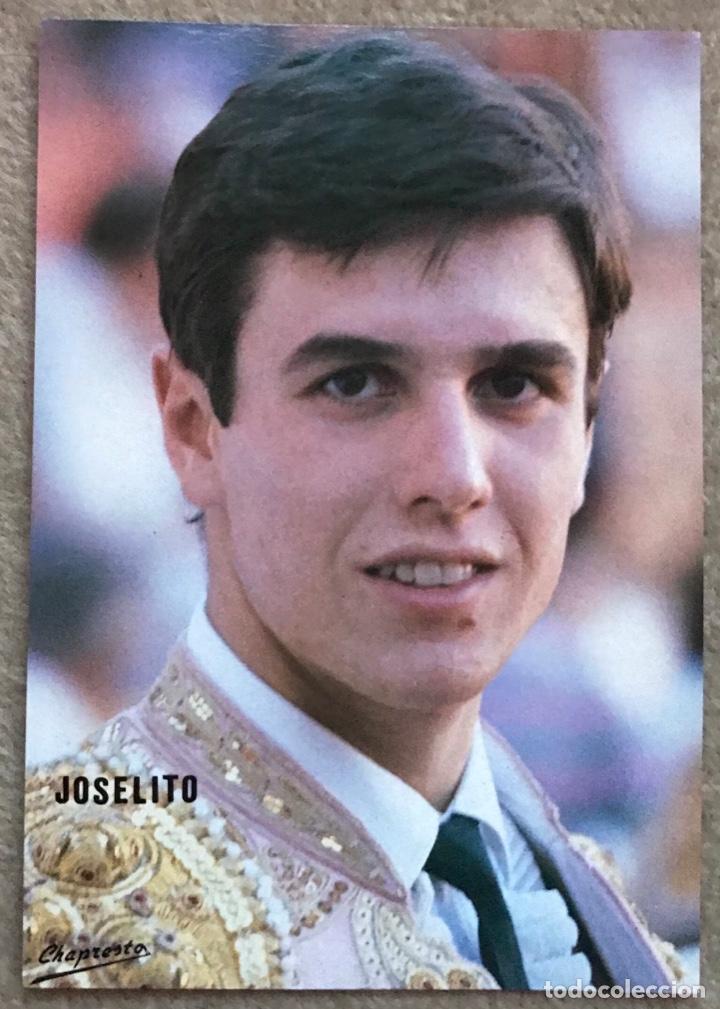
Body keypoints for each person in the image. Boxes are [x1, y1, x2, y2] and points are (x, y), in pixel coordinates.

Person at [23, 33, 685, 990]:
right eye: (356, 382)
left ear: (587, 433)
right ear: (191, 428)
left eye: (513, 383)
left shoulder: (576, 887)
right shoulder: (69, 933)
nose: (455, 475)